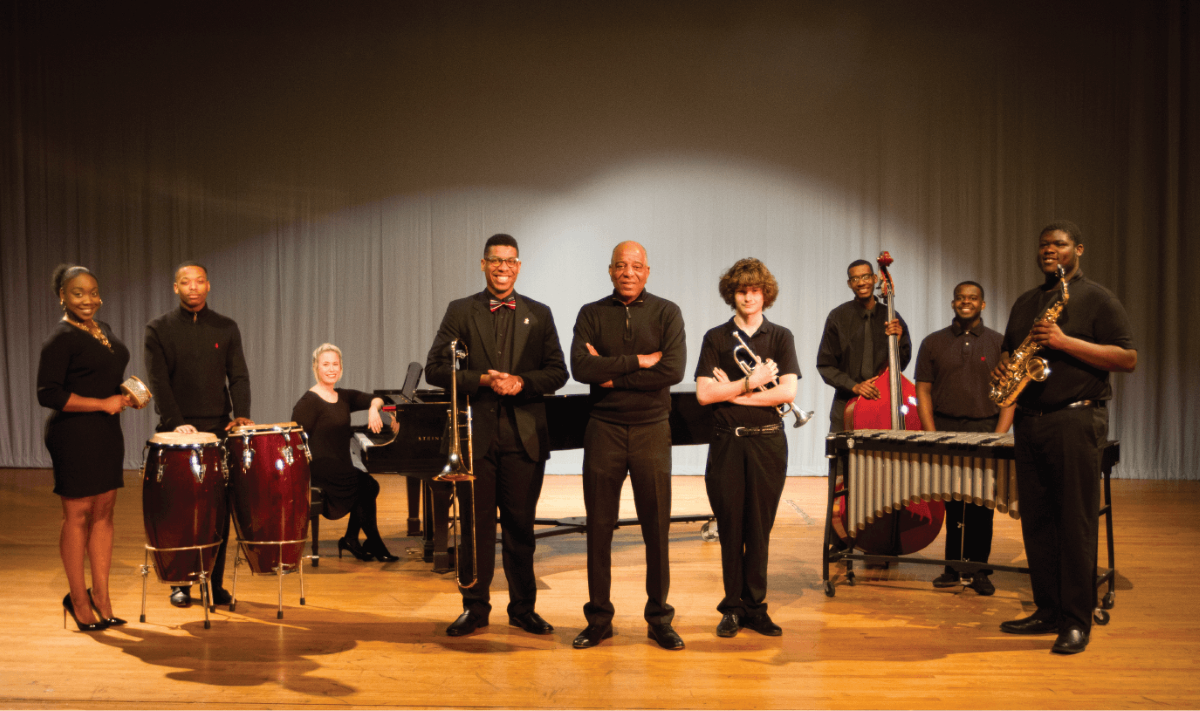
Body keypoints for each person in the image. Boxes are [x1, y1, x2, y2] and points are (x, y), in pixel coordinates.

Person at [994, 221, 1135, 655]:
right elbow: (1012, 352)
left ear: (1079, 249)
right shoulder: (1026, 302)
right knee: (1037, 521)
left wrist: (1064, 341)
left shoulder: (1097, 298)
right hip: (1030, 419)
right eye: (1044, 245)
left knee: (1075, 521)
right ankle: (1048, 610)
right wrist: (1003, 370)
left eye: (1059, 244)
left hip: (1075, 420)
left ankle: (1077, 620)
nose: (1049, 251)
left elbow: (1127, 357)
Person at [425, 234, 569, 637]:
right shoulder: (461, 310)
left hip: (524, 439)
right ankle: (475, 607)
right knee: (475, 529)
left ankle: (523, 608)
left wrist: (521, 381)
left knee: (521, 529)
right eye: (495, 261)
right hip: (475, 439)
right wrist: (484, 379)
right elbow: (436, 369)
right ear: (483, 264)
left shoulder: (539, 314)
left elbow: (558, 372)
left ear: (519, 266)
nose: (503, 268)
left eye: (510, 261)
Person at [570, 241, 686, 651]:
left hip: (653, 430)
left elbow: (672, 369)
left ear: (647, 271)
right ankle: (599, 618)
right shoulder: (590, 313)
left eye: (636, 266)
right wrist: (639, 360)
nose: (628, 273)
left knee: (657, 529)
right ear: (610, 270)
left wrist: (611, 373)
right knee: (598, 528)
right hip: (603, 429)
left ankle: (659, 619)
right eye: (621, 266)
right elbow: (580, 368)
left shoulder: (667, 311)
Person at [695, 258, 799, 638]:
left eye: (755, 290)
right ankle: (732, 609)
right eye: (742, 290)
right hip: (727, 445)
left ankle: (756, 607)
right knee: (730, 528)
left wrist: (734, 393)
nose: (749, 296)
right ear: (732, 294)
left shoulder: (781, 336)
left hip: (769, 443)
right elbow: (705, 394)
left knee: (759, 529)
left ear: (765, 294)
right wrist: (752, 382)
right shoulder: (716, 338)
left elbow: (787, 392)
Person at [144, 261, 252, 608]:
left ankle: (214, 584)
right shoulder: (158, 329)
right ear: (175, 288)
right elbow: (158, 381)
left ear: (209, 286)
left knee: (217, 512)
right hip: (176, 433)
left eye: (200, 281)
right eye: (186, 282)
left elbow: (238, 376)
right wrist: (175, 421)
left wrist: (242, 416)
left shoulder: (226, 327)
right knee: (181, 512)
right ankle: (182, 584)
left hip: (218, 429)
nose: (193, 287)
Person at [37, 265, 135, 631]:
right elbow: (48, 393)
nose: (88, 299)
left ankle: (102, 597)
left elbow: (99, 377)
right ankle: (78, 601)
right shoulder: (59, 338)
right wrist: (101, 403)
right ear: (62, 295)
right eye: (78, 293)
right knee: (78, 515)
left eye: (93, 292)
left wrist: (125, 394)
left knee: (104, 513)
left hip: (107, 431)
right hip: (73, 435)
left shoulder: (102, 329)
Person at [914, 281, 1015, 596]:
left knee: (982, 504)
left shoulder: (1000, 343)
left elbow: (1010, 394)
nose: (966, 302)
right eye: (960, 298)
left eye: (972, 298)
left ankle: (979, 570)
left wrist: (1000, 436)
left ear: (982, 304)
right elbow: (923, 390)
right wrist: (931, 434)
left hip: (985, 429)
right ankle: (952, 568)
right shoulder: (933, 343)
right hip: (945, 428)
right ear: (953, 302)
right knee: (953, 503)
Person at [291, 343, 398, 563]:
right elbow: (296, 443)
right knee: (368, 485)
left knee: (366, 487)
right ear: (315, 368)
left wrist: (372, 409)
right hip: (319, 467)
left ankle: (351, 539)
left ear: (341, 368)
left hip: (340, 465)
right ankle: (373, 542)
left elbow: (379, 399)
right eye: (326, 364)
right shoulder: (308, 402)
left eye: (335, 364)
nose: (331, 369)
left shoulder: (342, 396)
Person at [816, 259, 911, 432]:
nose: (861, 282)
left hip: (884, 401)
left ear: (875, 278)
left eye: (866, 276)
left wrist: (896, 343)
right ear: (849, 284)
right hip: (846, 402)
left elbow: (901, 364)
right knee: (843, 457)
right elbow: (825, 365)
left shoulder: (892, 317)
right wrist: (855, 386)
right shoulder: (838, 317)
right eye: (855, 279)